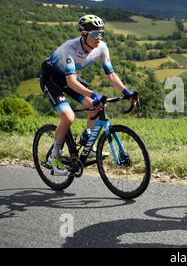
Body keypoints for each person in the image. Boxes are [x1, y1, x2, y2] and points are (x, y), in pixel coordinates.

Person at [40, 14, 136, 176]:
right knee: (68, 117)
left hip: (69, 78)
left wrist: (127, 92)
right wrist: (94, 94)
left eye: (101, 33)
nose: (99, 37)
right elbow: (71, 83)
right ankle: (53, 157)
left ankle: (88, 145)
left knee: (95, 106)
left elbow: (111, 75)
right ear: (84, 34)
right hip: (51, 79)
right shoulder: (70, 48)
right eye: (95, 34)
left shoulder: (102, 47)